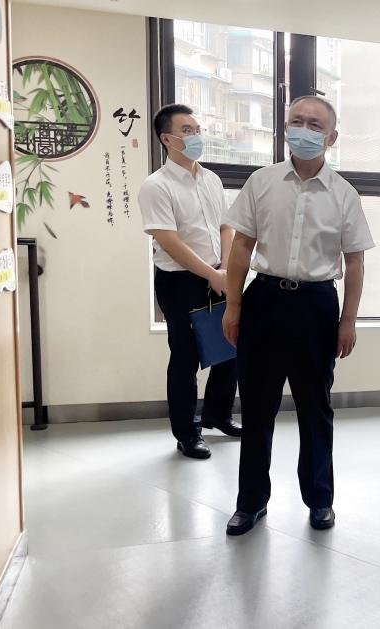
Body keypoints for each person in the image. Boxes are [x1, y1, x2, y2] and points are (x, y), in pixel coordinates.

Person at [221, 95, 374, 536]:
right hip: (264, 300)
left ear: (332, 137)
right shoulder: (262, 181)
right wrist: (233, 304)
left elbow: (355, 262)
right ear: (285, 127)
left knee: (315, 407)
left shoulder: (343, 194)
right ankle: (251, 502)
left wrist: (348, 321)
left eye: (315, 124)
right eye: (296, 121)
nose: (303, 130)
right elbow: (241, 247)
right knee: (257, 406)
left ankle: (320, 499)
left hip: (316, 306)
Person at [139, 103, 242, 460]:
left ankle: (218, 415)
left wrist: (225, 269)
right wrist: (212, 274)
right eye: (187, 131)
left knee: (230, 346)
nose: (196, 136)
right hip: (179, 281)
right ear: (166, 139)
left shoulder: (211, 179)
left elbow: (226, 227)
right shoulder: (156, 186)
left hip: (219, 274)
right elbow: (168, 241)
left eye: (197, 130)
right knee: (186, 357)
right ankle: (187, 432)